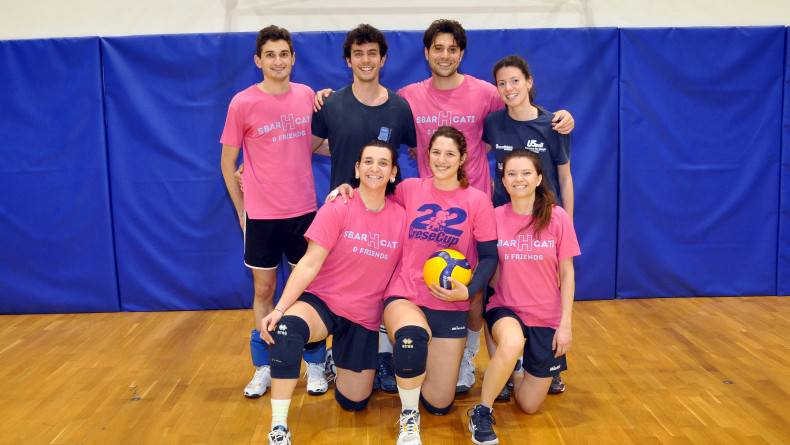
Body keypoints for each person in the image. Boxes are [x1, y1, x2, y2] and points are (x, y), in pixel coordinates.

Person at [396, 19, 575, 394]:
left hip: (479, 208)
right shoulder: (409, 95)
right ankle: (401, 353)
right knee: (425, 282)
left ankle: (481, 356)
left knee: (486, 288)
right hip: (433, 210)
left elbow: (521, 109)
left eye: (452, 49)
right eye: (437, 48)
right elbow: (379, 119)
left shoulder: (485, 93)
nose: (445, 55)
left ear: (461, 53)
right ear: (426, 53)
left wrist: (559, 118)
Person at [333, 126, 497, 444]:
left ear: (462, 158)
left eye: (449, 154)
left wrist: (469, 290)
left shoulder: (477, 201)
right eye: (436, 152)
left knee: (440, 403)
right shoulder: (409, 189)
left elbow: (489, 256)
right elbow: (371, 196)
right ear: (427, 154)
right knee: (411, 337)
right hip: (405, 294)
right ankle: (409, 418)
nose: (441, 160)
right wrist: (347, 188)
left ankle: (406, 369)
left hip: (450, 303)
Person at [260, 141, 406, 445]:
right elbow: (309, 262)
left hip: (363, 317)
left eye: (383, 163)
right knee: (286, 330)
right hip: (323, 302)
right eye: (368, 161)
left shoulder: (401, 217)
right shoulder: (338, 206)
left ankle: (333, 360)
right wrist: (280, 308)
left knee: (354, 401)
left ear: (393, 172)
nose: (375, 168)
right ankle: (279, 427)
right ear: (357, 169)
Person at [219, 25, 329, 399]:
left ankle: (315, 364)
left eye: (284, 54)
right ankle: (264, 366)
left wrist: (354, 136)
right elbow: (227, 162)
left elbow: (313, 144)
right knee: (264, 289)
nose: (278, 61)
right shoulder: (242, 102)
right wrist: (242, 212)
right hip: (262, 215)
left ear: (293, 58)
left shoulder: (307, 96)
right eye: (270, 55)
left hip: (303, 211)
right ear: (258, 60)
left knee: (308, 290)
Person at [467, 149, 580, 445]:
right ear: (503, 181)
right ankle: (482, 412)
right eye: (512, 174)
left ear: (539, 178)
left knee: (529, 405)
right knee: (512, 342)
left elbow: (567, 273)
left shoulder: (557, 217)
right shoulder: (493, 217)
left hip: (546, 316)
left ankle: (514, 372)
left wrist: (565, 325)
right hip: (505, 307)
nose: (519, 179)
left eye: (526, 173)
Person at [482, 55, 574, 396]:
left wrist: (567, 223)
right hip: (503, 223)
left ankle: (544, 363)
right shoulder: (494, 122)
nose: (509, 88)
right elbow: (475, 154)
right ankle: (505, 371)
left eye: (515, 81)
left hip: (543, 223)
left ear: (529, 82)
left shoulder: (554, 124)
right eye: (502, 83)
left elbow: (565, 177)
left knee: (544, 295)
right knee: (497, 295)